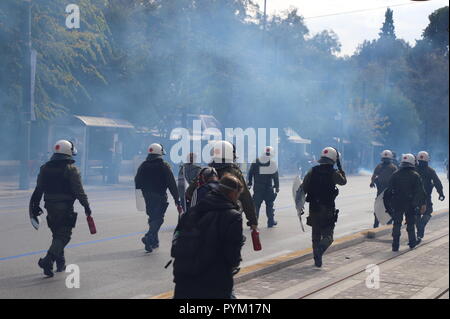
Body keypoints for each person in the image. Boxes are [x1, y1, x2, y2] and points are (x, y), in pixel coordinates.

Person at [172, 174, 245, 299]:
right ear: (233, 193)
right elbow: (233, 257)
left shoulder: (191, 212)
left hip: (184, 279)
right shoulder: (233, 217)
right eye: (238, 194)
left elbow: (176, 242)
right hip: (214, 283)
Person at [29, 140, 92, 277]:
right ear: (68, 152)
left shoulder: (44, 168)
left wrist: (35, 204)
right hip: (64, 207)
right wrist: (86, 206)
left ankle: (60, 263)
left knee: (57, 233)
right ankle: (48, 260)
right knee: (64, 236)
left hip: (49, 206)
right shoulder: (71, 169)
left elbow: (39, 188)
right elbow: (78, 191)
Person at [186, 140, 258, 230]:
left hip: (207, 220)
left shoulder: (206, 172)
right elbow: (245, 197)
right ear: (229, 154)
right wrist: (253, 221)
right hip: (229, 218)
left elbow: (189, 193)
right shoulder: (234, 173)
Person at [301, 147, 347, 267]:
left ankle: (317, 260)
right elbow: (343, 182)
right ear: (333, 160)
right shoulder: (334, 173)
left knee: (315, 236)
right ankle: (319, 251)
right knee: (328, 236)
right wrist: (340, 168)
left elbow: (303, 189)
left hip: (314, 207)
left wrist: (299, 206)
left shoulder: (312, 171)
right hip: (327, 208)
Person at [135, 143, 182, 253]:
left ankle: (153, 242)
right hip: (159, 196)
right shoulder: (164, 166)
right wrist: (176, 199)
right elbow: (171, 184)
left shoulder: (143, 165)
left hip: (147, 196)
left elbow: (137, 182)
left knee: (152, 217)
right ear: (160, 153)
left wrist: (145, 191)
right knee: (159, 218)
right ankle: (149, 236)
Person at [385, 154, 427, 251]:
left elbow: (388, 191)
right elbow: (421, 192)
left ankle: (395, 246)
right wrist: (422, 204)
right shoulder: (415, 175)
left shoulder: (395, 174)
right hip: (410, 204)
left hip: (397, 204)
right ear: (412, 162)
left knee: (396, 225)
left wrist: (388, 206)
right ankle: (412, 243)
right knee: (410, 224)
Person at [415, 151, 445, 243]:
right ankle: (420, 230)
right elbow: (437, 183)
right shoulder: (430, 170)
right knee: (428, 212)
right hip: (426, 197)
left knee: (417, 214)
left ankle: (419, 231)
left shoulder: (413, 169)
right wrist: (440, 193)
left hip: (414, 197)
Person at [247, 146, 280, 227]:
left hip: (258, 187)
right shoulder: (272, 163)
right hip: (268, 188)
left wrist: (249, 183)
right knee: (269, 205)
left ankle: (254, 222)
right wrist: (277, 186)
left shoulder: (255, 161)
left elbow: (250, 173)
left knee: (256, 205)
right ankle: (270, 221)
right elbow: (275, 176)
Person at [370, 150, 397, 228]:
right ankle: (386, 224)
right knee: (388, 208)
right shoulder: (393, 167)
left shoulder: (381, 166)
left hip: (385, 191)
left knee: (380, 208)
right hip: (387, 192)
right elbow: (374, 176)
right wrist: (372, 182)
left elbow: (374, 176)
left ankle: (377, 224)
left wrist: (372, 182)